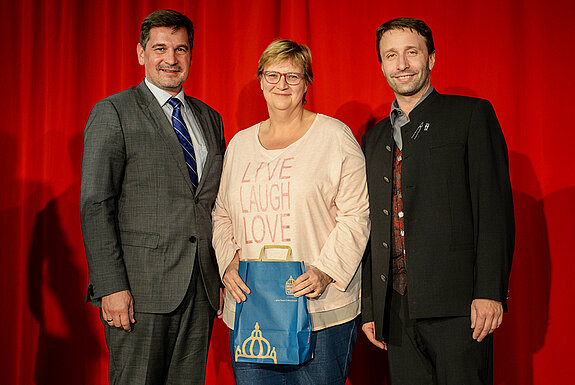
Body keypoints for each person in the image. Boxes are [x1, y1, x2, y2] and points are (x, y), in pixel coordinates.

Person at [361, 17, 514, 384]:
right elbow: (369, 226)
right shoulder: (373, 138)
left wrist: (490, 292)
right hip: (395, 309)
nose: (402, 64)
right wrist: (370, 307)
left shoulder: (470, 115)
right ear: (381, 65)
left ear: (431, 58)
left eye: (411, 52)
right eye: (391, 55)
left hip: (459, 307)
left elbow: (493, 210)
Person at [80, 9, 225, 385]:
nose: (171, 59)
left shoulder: (210, 118)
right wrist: (111, 286)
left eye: (181, 49)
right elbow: (97, 205)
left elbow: (211, 201)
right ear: (141, 53)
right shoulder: (114, 111)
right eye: (160, 48)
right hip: (139, 292)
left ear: (191, 55)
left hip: (201, 289)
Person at [212, 39, 370, 385]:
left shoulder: (335, 137)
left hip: (320, 311)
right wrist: (227, 262)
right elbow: (221, 213)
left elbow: (357, 216)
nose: (282, 84)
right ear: (260, 81)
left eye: (293, 76)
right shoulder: (239, 144)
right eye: (273, 75)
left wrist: (325, 271)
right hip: (253, 309)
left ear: (307, 83)